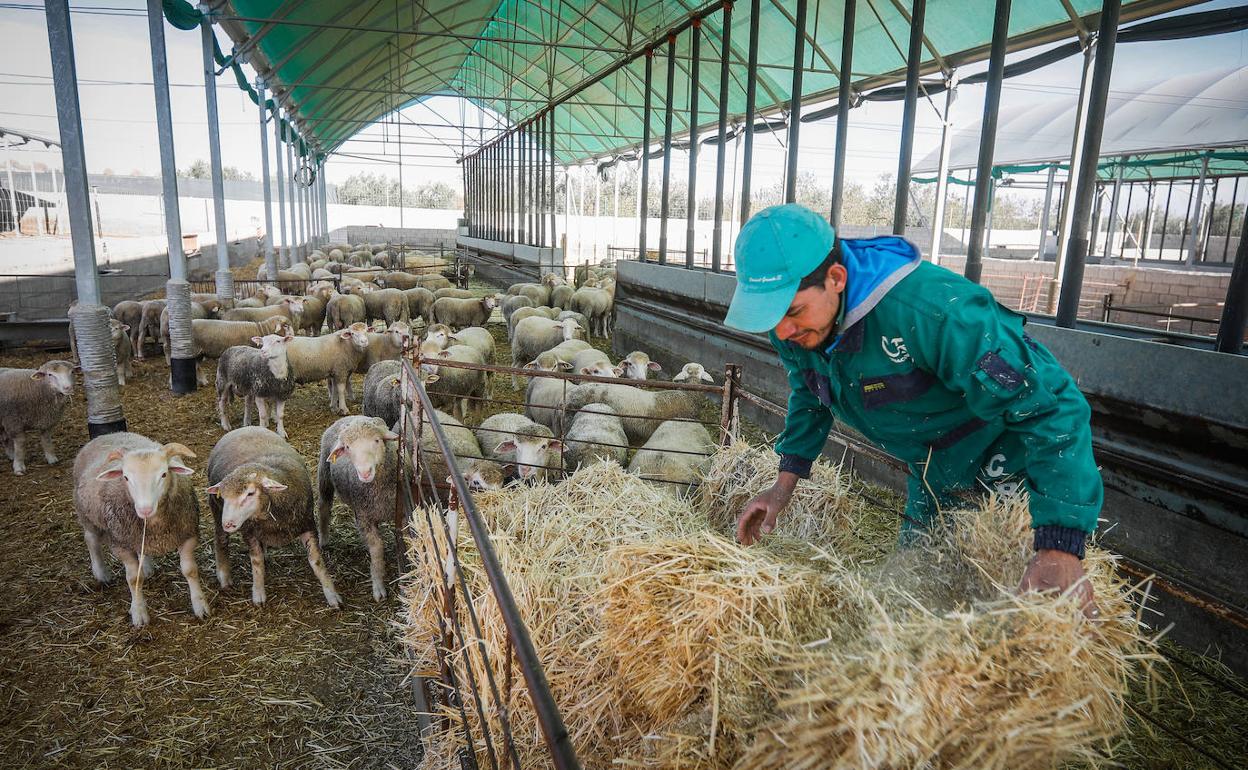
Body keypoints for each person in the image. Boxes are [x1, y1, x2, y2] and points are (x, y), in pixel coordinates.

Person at [725, 204, 1102, 617]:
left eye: (792, 312)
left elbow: (1052, 407)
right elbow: (811, 393)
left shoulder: (933, 312)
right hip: (931, 467)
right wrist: (783, 487)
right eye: (772, 317)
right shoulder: (798, 331)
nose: (783, 332)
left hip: (1006, 460)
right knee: (912, 596)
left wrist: (1059, 543)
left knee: (1014, 606)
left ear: (836, 278)